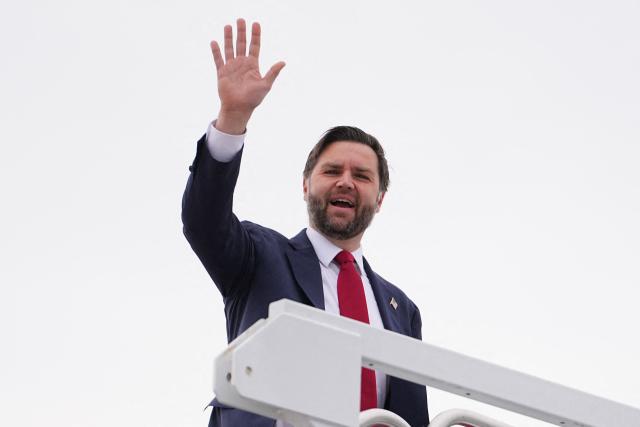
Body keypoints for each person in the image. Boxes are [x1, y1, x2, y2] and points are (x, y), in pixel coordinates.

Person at [182, 18, 429, 427]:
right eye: (332, 171)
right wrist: (232, 119)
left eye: (362, 176)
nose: (346, 181)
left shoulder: (402, 310)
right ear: (305, 185)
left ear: (380, 199)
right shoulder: (260, 257)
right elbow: (203, 221)